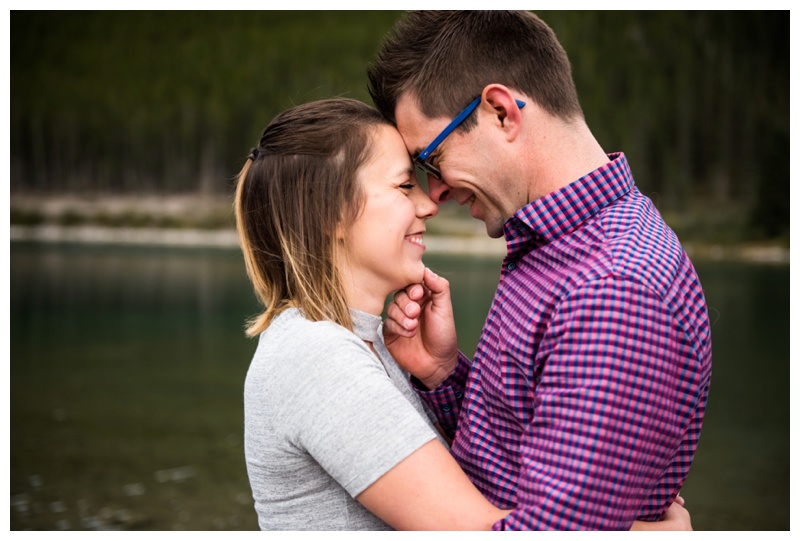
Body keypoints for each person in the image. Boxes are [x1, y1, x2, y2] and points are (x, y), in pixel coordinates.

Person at [235, 98, 692, 531]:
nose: (429, 203)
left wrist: (441, 372)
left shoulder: (355, 344)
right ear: (329, 213)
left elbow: (475, 487)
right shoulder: (317, 356)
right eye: (403, 185)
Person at [368, 10, 713, 531]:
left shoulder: (614, 291)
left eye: (432, 160)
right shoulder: (555, 248)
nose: (434, 193)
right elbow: (519, 457)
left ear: (502, 113)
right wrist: (444, 375)